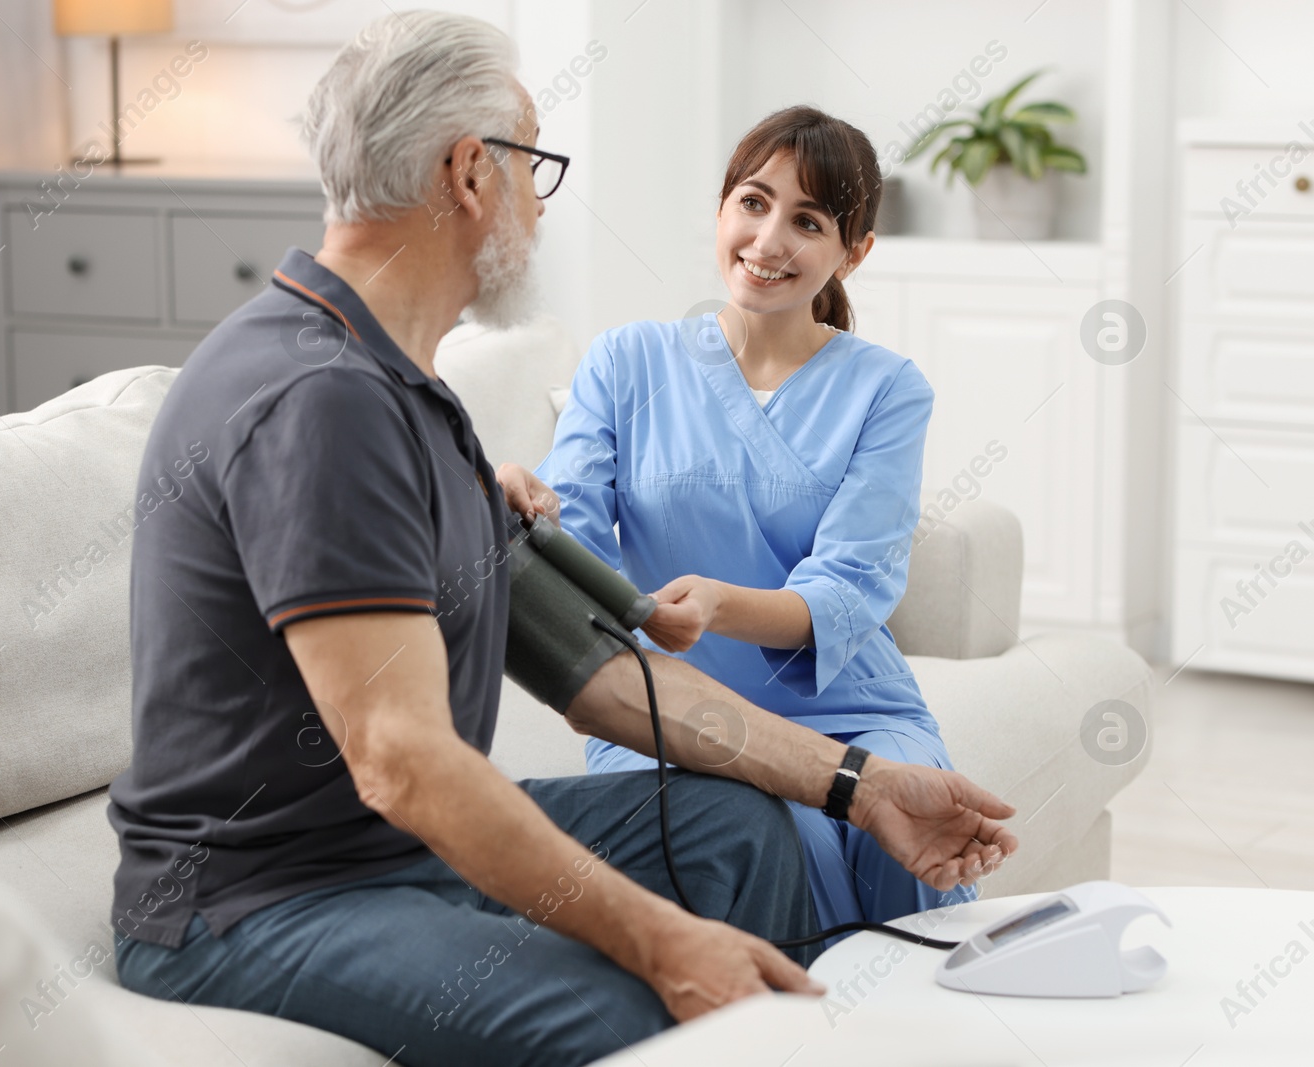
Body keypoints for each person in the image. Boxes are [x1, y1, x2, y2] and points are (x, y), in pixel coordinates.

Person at [107, 14, 1017, 1067]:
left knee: (740, 827)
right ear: (468, 175)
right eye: (530, 165)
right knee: (638, 1011)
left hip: (382, 848)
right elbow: (402, 762)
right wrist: (664, 940)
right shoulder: (322, 397)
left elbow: (605, 678)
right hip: (259, 890)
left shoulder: (415, 392)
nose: (540, 205)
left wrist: (858, 782)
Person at [535, 106, 974, 934]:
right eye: (752, 201)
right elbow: (571, 556)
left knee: (904, 837)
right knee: (788, 835)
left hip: (850, 703)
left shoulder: (887, 388)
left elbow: (851, 587)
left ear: (856, 252)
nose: (769, 240)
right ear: (721, 210)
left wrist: (719, 604)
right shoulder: (624, 363)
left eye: (808, 221)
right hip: (669, 710)